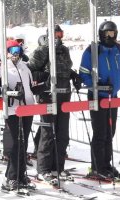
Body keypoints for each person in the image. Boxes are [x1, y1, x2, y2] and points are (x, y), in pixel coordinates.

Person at [27, 25, 81, 183]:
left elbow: (65, 68)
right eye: (56, 34)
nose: (59, 37)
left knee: (62, 133)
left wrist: (74, 75)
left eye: (61, 33)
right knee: (48, 133)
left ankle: (58, 167)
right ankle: (43, 168)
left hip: (64, 93)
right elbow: (30, 70)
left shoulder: (64, 50)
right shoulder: (42, 50)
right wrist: (44, 78)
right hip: (48, 94)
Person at [79, 21, 120, 179]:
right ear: (101, 34)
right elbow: (84, 72)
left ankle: (106, 164)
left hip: (112, 97)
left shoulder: (118, 49)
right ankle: (97, 166)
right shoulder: (93, 50)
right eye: (107, 34)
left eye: (112, 34)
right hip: (98, 97)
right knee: (100, 133)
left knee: (110, 132)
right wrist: (96, 85)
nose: (110, 36)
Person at [0, 40, 35, 191]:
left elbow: (31, 86)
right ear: (6, 51)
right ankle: (11, 178)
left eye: (18, 50)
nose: (15, 53)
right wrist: (0, 90)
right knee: (15, 144)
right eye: (12, 50)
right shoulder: (0, 66)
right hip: (12, 109)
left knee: (24, 143)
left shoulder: (24, 67)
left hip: (27, 108)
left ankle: (20, 175)